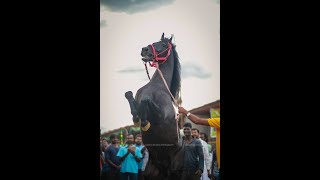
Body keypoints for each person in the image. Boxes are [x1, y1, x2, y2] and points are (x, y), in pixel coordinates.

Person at [179, 106, 220, 172]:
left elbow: (203, 156)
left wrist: (202, 169)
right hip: (183, 170)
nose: (186, 131)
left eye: (188, 129)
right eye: (185, 129)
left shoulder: (198, 142)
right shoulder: (181, 142)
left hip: (195, 170)